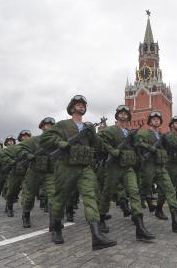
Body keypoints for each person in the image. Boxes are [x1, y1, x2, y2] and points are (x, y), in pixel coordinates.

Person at [40, 95, 117, 250]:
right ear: (72, 107)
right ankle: (56, 227)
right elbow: (46, 138)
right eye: (78, 104)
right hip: (66, 167)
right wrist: (59, 142)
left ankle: (96, 236)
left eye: (83, 105)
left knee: (91, 197)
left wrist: (92, 133)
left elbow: (98, 146)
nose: (81, 106)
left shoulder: (88, 127)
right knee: (60, 199)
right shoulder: (63, 124)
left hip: (85, 167)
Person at [98, 105, 155, 241]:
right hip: (114, 167)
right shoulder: (111, 130)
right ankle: (101, 217)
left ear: (129, 117)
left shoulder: (130, 133)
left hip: (128, 167)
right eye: (121, 113)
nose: (123, 115)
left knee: (134, 193)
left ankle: (139, 226)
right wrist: (112, 151)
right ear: (117, 116)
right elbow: (100, 140)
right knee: (107, 193)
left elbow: (136, 147)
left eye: (125, 114)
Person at [135, 111, 177, 232]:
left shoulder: (162, 135)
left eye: (158, 119)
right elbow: (138, 144)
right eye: (154, 119)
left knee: (170, 190)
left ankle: (175, 221)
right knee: (142, 191)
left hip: (161, 166)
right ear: (150, 121)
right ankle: (136, 217)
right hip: (148, 166)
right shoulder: (144, 133)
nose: (156, 121)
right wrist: (151, 149)